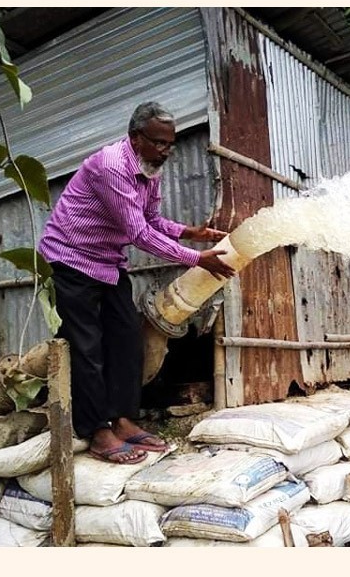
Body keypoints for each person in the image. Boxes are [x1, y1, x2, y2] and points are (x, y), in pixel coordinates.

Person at [38, 101, 236, 464]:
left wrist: (188, 232)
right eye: (159, 142)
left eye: (170, 144)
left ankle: (123, 420)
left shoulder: (149, 168)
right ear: (135, 138)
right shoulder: (112, 167)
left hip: (107, 261)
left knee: (128, 338)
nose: (166, 151)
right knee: (86, 346)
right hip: (69, 259)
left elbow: (152, 219)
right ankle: (97, 431)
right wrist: (197, 258)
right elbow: (139, 234)